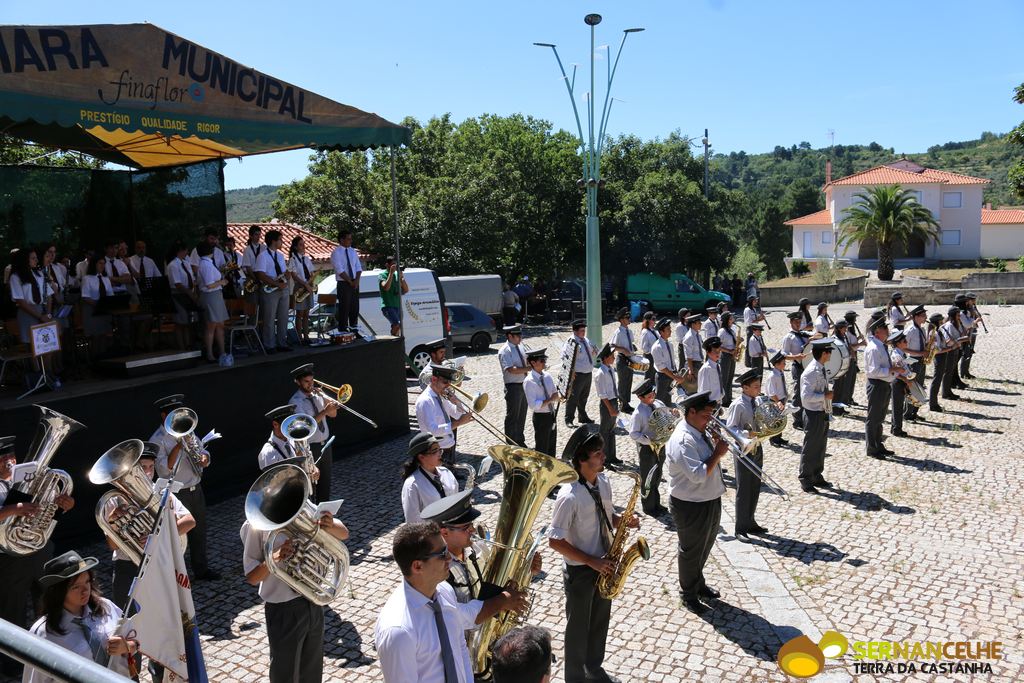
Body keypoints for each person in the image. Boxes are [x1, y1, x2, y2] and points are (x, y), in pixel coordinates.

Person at [549, 427, 638, 683]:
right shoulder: (569, 496)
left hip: (605, 562)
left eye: (601, 452)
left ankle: (594, 668)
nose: (603, 456)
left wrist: (623, 521)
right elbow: (555, 541)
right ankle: (575, 678)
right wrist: (591, 561)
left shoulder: (604, 481)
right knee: (577, 629)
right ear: (581, 460)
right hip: (582, 569)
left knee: (600, 622)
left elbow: (607, 515)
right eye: (597, 454)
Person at [102, 442, 194, 683]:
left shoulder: (164, 495)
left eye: (150, 467)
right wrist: (113, 524)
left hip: (157, 567)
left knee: (161, 626)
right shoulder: (116, 500)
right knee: (129, 628)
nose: (147, 472)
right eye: (141, 467)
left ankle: (160, 674)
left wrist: (161, 531)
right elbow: (112, 546)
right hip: (127, 568)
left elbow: (190, 521)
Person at [242, 478, 349, 683]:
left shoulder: (305, 506)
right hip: (282, 609)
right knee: (285, 674)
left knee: (312, 671)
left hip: (312, 601)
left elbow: (344, 533)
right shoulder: (256, 524)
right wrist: (273, 559)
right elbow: (252, 577)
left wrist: (330, 524)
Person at [0, 436, 75, 678]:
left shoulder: (34, 478)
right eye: (1, 459)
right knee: (12, 610)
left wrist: (65, 504)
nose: (8, 462)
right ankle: (13, 666)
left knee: (49, 601)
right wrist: (13, 509)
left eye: (10, 457)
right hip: (9, 559)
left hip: (39, 551)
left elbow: (50, 514)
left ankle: (53, 654)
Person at [375, 522, 482, 683]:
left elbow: (459, 647)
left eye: (446, 550)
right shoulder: (398, 631)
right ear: (417, 566)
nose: (449, 557)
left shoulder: (445, 591)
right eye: (442, 553)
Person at [420, 491, 531, 628]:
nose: (473, 530)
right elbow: (456, 616)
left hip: (487, 624)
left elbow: (499, 576)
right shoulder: (435, 569)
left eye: (472, 524)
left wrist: (528, 570)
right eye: (466, 528)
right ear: (445, 532)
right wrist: (502, 601)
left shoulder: (478, 547)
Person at [22, 551, 138, 682]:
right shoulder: (43, 634)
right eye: (76, 587)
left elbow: (136, 642)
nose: (85, 590)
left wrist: (127, 646)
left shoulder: (106, 607)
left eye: (87, 582)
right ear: (59, 592)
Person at [665, 391, 728, 614]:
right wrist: (718, 453)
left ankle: (698, 583)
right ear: (691, 412)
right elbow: (698, 474)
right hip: (691, 504)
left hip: (709, 498)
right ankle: (688, 594)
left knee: (705, 546)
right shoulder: (683, 440)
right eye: (706, 415)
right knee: (691, 550)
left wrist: (715, 443)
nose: (710, 419)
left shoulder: (699, 431)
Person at [150, 394, 218, 581]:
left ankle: (201, 569)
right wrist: (179, 445)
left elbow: (201, 449)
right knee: (178, 536)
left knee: (200, 531)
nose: (178, 417)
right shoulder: (158, 439)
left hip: (195, 487)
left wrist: (205, 457)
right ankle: (177, 575)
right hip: (177, 492)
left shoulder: (187, 429)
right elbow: (163, 469)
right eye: (173, 414)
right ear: (164, 416)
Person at [728, 369, 769, 542]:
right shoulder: (738, 405)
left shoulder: (757, 401)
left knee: (754, 487)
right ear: (745, 388)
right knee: (744, 489)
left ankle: (750, 521)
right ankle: (740, 528)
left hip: (757, 447)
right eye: (755, 387)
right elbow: (731, 428)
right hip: (743, 450)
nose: (758, 390)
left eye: (759, 386)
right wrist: (747, 433)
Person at [289, 364, 336, 502]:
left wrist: (326, 398)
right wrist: (324, 411)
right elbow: (306, 426)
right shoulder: (295, 402)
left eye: (312, 381)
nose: (310, 384)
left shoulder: (317, 395)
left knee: (325, 485)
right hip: (310, 448)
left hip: (326, 446)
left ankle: (324, 517)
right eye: (306, 382)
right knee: (312, 486)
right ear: (298, 382)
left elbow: (333, 414)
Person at [416, 363, 473, 468]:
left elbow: (456, 414)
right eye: (445, 382)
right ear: (434, 380)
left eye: (450, 383)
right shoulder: (425, 401)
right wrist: (460, 422)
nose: (448, 386)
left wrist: (457, 402)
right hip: (436, 451)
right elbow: (433, 430)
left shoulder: (441, 396)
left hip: (448, 446)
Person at [630, 379, 671, 516]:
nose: (652, 397)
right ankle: (648, 507)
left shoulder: (658, 403)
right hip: (647, 449)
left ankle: (656, 503)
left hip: (661, 445)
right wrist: (650, 442)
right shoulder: (638, 413)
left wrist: (673, 415)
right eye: (649, 396)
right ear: (640, 397)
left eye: (653, 394)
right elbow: (634, 433)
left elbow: (667, 417)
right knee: (648, 477)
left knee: (657, 475)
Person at [258, 404, 321, 493]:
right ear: (275, 424)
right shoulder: (267, 452)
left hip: (303, 491)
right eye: (287, 426)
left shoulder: (295, 439)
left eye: (292, 424)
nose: (291, 429)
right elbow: (271, 485)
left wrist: (314, 469)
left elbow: (309, 460)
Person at [798, 339, 834, 493]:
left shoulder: (821, 368)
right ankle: (805, 478)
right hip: (813, 413)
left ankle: (816, 474)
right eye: (829, 351)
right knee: (811, 447)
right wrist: (824, 395)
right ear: (824, 353)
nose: (831, 354)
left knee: (820, 446)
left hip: (822, 411)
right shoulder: (811, 371)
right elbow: (806, 397)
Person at [401, 432, 460, 524]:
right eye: (435, 451)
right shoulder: (412, 485)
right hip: (433, 535)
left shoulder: (446, 473)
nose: (440, 453)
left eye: (440, 449)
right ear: (421, 457)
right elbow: (412, 521)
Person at [864, 318, 897, 460]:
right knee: (873, 418)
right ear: (877, 332)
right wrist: (892, 369)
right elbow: (873, 371)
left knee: (880, 417)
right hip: (876, 385)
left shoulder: (881, 345)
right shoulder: (873, 348)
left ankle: (878, 444)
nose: (887, 331)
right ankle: (872, 448)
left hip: (883, 384)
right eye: (885, 328)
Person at [255, 229, 292, 353]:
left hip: (282, 289)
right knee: (269, 318)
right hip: (270, 290)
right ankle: (269, 345)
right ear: (273, 241)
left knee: (283, 317)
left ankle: (282, 343)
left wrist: (287, 275)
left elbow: (282, 272)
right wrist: (276, 283)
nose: (282, 242)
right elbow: (260, 274)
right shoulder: (262, 256)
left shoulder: (280, 256)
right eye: (280, 239)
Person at [9, 247, 53, 344]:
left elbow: (48, 295)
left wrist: (48, 314)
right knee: (33, 346)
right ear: (25, 260)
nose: (37, 260)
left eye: (36, 257)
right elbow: (20, 301)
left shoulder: (39, 274)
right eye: (33, 258)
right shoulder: (15, 277)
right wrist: (39, 316)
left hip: (43, 311)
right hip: (28, 313)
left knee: (48, 345)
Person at [497, 325, 530, 447]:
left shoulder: (520, 346)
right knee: (513, 416)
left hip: (524, 384)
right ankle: (511, 443)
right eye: (518, 336)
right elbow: (511, 369)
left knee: (522, 415)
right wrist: (529, 368)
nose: (520, 338)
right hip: (513, 386)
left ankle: (520, 440)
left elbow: (525, 360)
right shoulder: (505, 351)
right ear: (510, 336)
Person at [523, 348, 560, 457]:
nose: (544, 363)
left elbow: (555, 394)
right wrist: (550, 400)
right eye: (542, 360)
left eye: (545, 360)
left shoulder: (547, 376)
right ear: (533, 363)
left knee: (551, 446)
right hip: (541, 418)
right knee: (542, 449)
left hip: (552, 414)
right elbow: (533, 405)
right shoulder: (529, 381)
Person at [196, 242, 229, 363]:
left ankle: (222, 352)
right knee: (211, 326)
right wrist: (222, 282)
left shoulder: (207, 263)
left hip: (215, 296)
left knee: (220, 325)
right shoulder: (206, 264)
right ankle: (210, 354)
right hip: (211, 296)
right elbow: (209, 285)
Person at [561, 320, 596, 428]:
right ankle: (569, 419)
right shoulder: (571, 342)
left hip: (587, 373)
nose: (583, 333)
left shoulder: (585, 340)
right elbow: (564, 357)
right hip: (578, 375)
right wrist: (571, 373)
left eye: (584, 330)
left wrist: (594, 351)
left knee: (584, 397)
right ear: (575, 331)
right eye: (581, 331)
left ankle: (582, 416)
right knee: (573, 398)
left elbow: (591, 350)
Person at [593, 344, 622, 465]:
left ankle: (612, 455)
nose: (614, 358)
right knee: (604, 431)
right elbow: (602, 394)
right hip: (607, 404)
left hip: (613, 401)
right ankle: (604, 458)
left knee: (611, 429)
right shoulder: (600, 373)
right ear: (605, 358)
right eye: (611, 356)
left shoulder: (610, 369)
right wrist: (610, 409)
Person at [165, 242, 196, 351]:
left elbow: (192, 278)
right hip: (178, 294)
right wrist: (189, 293)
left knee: (187, 322)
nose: (187, 253)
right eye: (186, 250)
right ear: (180, 251)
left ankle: (188, 344)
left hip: (188, 293)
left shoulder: (185, 263)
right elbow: (177, 284)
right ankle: (181, 346)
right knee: (179, 322)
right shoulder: (173, 265)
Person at [331, 229, 362, 332]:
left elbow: (358, 267)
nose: (350, 241)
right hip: (344, 283)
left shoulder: (353, 251)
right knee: (344, 308)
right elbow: (339, 269)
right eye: (348, 239)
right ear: (341, 240)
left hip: (354, 282)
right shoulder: (336, 253)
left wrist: (356, 280)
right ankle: (343, 331)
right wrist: (350, 281)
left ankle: (354, 330)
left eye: (350, 239)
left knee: (354, 308)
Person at [781, 312, 808, 430]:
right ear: (791, 322)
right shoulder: (789, 337)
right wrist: (796, 356)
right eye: (796, 322)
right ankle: (797, 420)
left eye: (799, 322)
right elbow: (784, 355)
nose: (798, 324)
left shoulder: (803, 334)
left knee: (806, 392)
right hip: (797, 367)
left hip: (806, 367)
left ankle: (805, 416)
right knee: (797, 394)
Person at [288, 235, 317, 345]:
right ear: (295, 247)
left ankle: (306, 336)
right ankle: (299, 337)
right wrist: (305, 284)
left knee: (306, 314)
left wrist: (311, 281)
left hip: (308, 286)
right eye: (301, 244)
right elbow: (294, 276)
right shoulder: (293, 259)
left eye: (303, 244)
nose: (303, 246)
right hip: (300, 287)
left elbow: (311, 272)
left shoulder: (306, 259)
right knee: (299, 314)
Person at [902, 305, 927, 424]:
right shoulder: (910, 331)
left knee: (920, 387)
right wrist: (919, 352)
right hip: (912, 361)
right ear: (916, 317)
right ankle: (907, 414)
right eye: (923, 315)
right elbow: (903, 348)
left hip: (921, 361)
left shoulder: (922, 330)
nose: (925, 317)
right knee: (912, 388)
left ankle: (914, 413)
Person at [652, 318, 685, 405]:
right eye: (668, 329)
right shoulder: (657, 347)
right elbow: (661, 367)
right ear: (661, 332)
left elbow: (672, 361)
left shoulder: (669, 344)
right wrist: (675, 377)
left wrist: (676, 373)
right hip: (663, 377)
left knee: (667, 400)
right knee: (659, 401)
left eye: (670, 329)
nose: (670, 331)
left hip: (670, 375)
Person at [610, 308, 636, 414]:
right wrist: (623, 349)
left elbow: (631, 343)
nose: (629, 319)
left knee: (629, 381)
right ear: (621, 320)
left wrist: (632, 348)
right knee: (622, 383)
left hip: (630, 359)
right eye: (627, 318)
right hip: (622, 358)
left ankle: (626, 403)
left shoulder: (629, 331)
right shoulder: (619, 332)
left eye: (629, 317)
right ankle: (622, 404)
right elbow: (612, 345)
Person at [928, 312, 955, 412]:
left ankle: (934, 403)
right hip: (939, 357)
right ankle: (933, 404)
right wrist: (950, 348)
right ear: (938, 321)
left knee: (938, 379)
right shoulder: (933, 333)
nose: (943, 321)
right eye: (941, 320)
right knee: (937, 380)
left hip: (943, 356)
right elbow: (936, 350)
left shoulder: (939, 331)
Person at [888, 330, 913, 438]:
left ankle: (895, 427)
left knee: (899, 405)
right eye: (904, 341)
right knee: (897, 406)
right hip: (898, 381)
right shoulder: (896, 354)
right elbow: (896, 372)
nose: (906, 342)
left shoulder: (900, 352)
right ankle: (896, 429)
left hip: (902, 381)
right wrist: (906, 380)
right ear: (898, 343)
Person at [764, 351, 790, 447]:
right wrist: (778, 402)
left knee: (781, 419)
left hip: (781, 399)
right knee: (774, 420)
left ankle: (778, 437)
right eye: (783, 363)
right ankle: (774, 439)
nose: (785, 364)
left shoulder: (780, 373)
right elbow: (771, 393)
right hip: (775, 401)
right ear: (777, 364)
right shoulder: (773, 376)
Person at [378, 256, 409, 336]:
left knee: (398, 326)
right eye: (393, 265)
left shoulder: (396, 275)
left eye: (396, 265)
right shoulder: (382, 275)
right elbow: (386, 288)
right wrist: (391, 273)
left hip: (397, 306)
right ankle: (392, 339)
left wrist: (401, 277)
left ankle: (396, 342)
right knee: (397, 324)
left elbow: (406, 290)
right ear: (387, 265)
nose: (395, 267)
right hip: (388, 306)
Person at [841, 311, 866, 407]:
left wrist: (859, 338)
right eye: (854, 318)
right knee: (848, 380)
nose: (855, 320)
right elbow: (849, 346)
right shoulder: (847, 331)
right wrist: (861, 344)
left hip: (854, 357)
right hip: (849, 358)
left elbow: (853, 342)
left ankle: (849, 398)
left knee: (852, 380)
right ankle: (845, 399)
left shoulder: (851, 330)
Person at [717, 311, 739, 407]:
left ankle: (729, 398)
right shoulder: (722, 331)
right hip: (725, 356)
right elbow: (718, 346)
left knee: (730, 377)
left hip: (732, 356)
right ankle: (724, 400)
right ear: (726, 320)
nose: (732, 320)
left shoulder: (732, 330)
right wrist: (729, 351)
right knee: (724, 378)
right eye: (730, 319)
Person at [240, 224, 263, 306]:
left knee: (262, 302)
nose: (258, 237)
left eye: (259, 234)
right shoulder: (247, 250)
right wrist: (256, 279)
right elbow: (248, 266)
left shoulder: (264, 248)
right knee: (253, 303)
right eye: (256, 234)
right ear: (250, 236)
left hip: (262, 277)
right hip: (251, 277)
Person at [697, 337, 725, 404]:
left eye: (719, 351)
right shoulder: (706, 369)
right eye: (715, 351)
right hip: (709, 403)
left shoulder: (717, 366)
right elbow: (703, 390)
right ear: (708, 352)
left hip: (717, 402)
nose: (718, 353)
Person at [960, 292, 980, 379]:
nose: (975, 302)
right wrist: (974, 318)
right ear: (968, 300)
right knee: (965, 352)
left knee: (970, 352)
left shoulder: (972, 308)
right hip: (966, 333)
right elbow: (967, 323)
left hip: (972, 332)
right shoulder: (964, 310)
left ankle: (966, 371)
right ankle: (963, 373)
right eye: (973, 300)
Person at [681, 314, 704, 385]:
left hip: (698, 363)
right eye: (699, 323)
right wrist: (691, 370)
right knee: (693, 388)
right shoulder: (689, 337)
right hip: (693, 364)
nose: (701, 324)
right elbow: (688, 356)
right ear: (693, 324)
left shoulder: (697, 335)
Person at [638, 311, 658, 382]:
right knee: (649, 377)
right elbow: (644, 348)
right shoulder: (645, 332)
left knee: (655, 376)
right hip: (649, 357)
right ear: (648, 320)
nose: (655, 321)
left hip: (655, 356)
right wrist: (653, 350)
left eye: (655, 318)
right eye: (653, 319)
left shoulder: (654, 330)